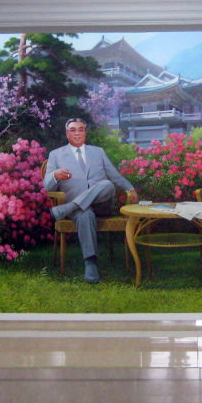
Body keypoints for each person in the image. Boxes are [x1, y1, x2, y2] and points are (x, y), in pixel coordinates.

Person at [44, 118, 138, 283]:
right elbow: (47, 186)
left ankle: (67, 208)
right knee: (84, 214)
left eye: (81, 129)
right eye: (73, 130)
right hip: (79, 211)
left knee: (107, 184)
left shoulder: (98, 152)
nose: (77, 133)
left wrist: (130, 188)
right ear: (67, 134)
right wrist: (54, 176)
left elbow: (114, 175)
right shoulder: (56, 155)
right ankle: (91, 263)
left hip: (101, 203)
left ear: (85, 132)